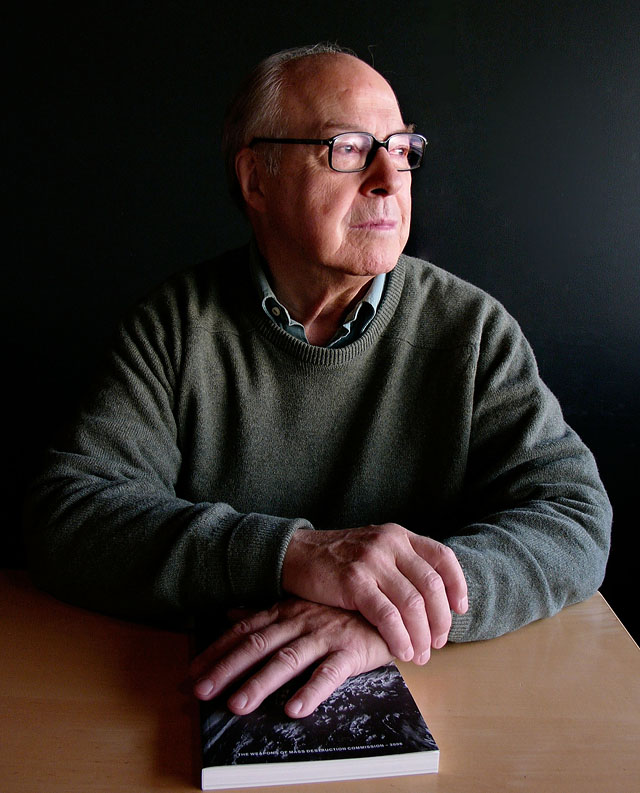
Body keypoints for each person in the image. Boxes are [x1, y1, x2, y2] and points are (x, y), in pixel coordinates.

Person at [24, 44, 612, 720]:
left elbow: (573, 517)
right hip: (191, 699)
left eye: (402, 147)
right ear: (256, 181)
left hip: (438, 703)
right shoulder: (175, 326)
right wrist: (292, 554)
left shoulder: (471, 329)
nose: (390, 177)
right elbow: (68, 516)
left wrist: (391, 616)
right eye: (349, 149)